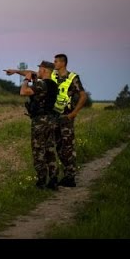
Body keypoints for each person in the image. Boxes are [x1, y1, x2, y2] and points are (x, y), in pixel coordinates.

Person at [6, 61, 59, 190]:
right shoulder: (52, 84)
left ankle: (41, 181)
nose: (38, 71)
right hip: (51, 120)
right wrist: (15, 71)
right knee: (50, 150)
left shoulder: (41, 84)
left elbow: (23, 92)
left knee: (38, 151)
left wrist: (25, 80)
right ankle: (53, 180)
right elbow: (31, 73)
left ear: (45, 70)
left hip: (40, 121)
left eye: (40, 69)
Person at [50, 53, 88, 187]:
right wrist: (16, 72)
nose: (54, 63)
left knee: (68, 147)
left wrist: (74, 113)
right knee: (59, 147)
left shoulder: (73, 78)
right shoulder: (52, 75)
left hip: (66, 117)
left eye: (56, 61)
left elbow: (83, 96)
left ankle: (70, 177)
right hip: (54, 116)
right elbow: (35, 73)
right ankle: (66, 175)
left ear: (63, 63)